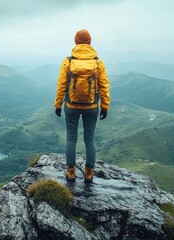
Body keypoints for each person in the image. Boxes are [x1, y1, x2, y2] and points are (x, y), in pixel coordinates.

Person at [54, 29, 110, 183]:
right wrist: (105, 106)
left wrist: (58, 104)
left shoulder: (68, 61)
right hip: (91, 107)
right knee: (89, 139)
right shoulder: (98, 62)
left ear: (76, 42)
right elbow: (104, 85)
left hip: (71, 106)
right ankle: (89, 173)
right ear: (90, 42)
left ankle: (71, 173)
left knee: (71, 138)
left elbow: (61, 85)